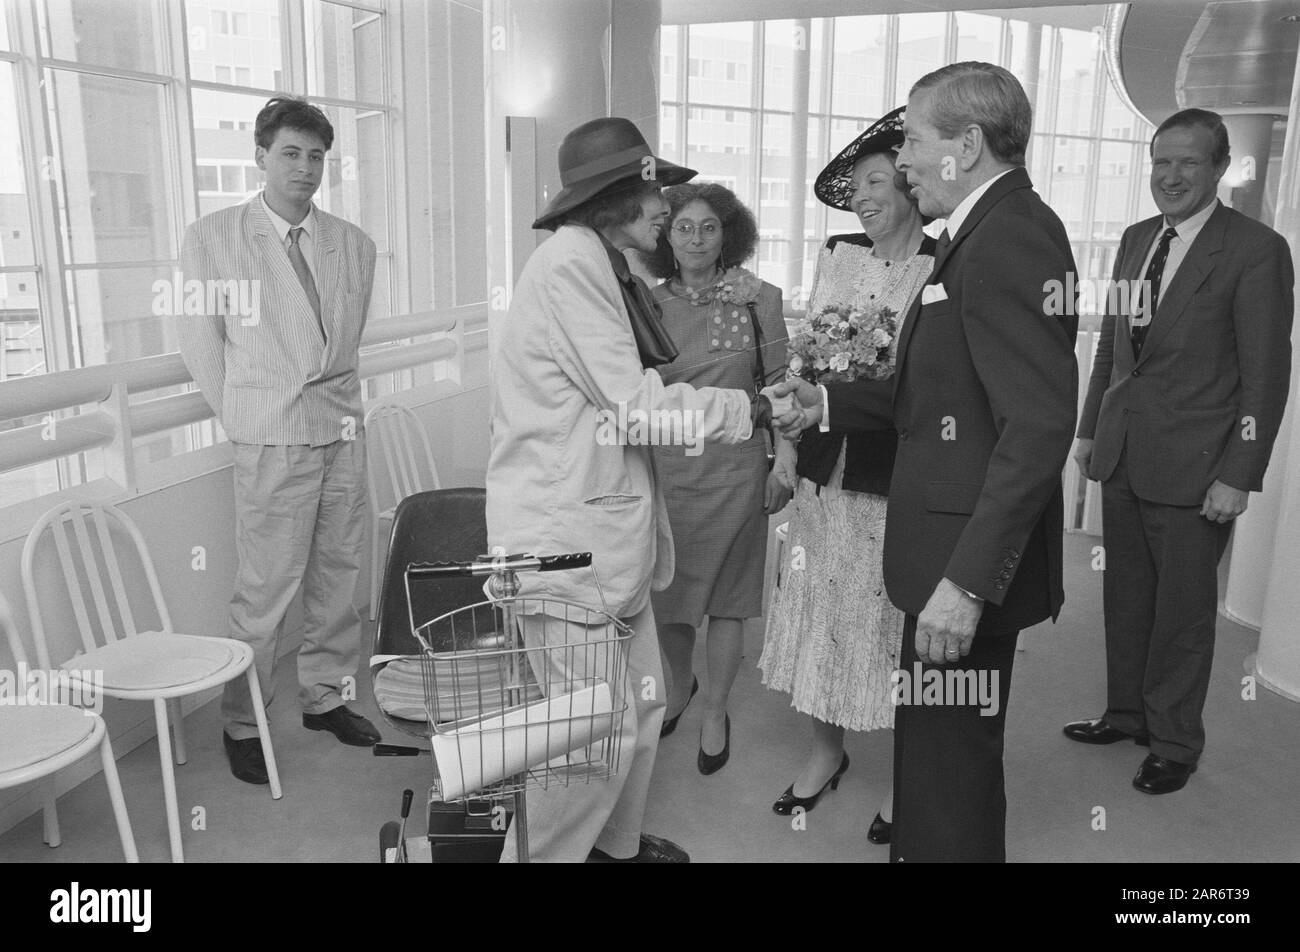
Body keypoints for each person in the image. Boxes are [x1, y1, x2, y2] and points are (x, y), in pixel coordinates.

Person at [775, 62, 1079, 862]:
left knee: (951, 774)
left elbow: (1038, 427)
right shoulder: (974, 234)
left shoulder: (1012, 235)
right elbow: (945, 395)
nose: (901, 162)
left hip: (961, 569)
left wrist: (970, 581)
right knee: (937, 760)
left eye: (911, 139)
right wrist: (829, 406)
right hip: (937, 555)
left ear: (967, 144)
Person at [486, 117, 765, 862]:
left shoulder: (605, 265)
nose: (666, 207)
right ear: (609, 199)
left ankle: (611, 849)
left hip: (607, 541)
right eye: (651, 193)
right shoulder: (573, 265)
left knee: (641, 707)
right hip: (567, 544)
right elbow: (637, 406)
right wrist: (750, 408)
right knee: (584, 734)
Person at [1066, 108, 1294, 794]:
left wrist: (1240, 475)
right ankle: (1127, 713)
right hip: (1125, 453)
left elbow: (1265, 376)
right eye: (1161, 161)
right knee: (1127, 598)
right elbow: (1112, 345)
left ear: (1219, 167)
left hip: (1200, 472)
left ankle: (1174, 742)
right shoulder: (1138, 239)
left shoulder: (1256, 250)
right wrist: (1086, 430)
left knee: (1183, 616)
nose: (1171, 176)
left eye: (1188, 162)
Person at [178, 97, 381, 785]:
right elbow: (202, 343)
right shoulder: (214, 238)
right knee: (265, 589)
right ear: (260, 156)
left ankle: (325, 695)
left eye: (317, 155)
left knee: (339, 575)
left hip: (342, 428)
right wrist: (245, 415)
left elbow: (344, 341)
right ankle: (243, 720)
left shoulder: (352, 242)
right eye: (291, 153)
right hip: (271, 435)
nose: (305, 167)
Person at [758, 107, 935, 845]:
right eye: (856, 184)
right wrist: (786, 441)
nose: (863, 196)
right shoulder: (839, 253)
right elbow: (803, 355)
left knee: (888, 627)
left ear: (911, 187)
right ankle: (825, 752)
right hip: (824, 471)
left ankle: (905, 777)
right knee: (823, 617)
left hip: (899, 474)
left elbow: (930, 384)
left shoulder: (941, 265)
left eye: (878, 182)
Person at [640, 182, 789, 775]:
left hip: (738, 469)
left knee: (729, 599)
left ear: (730, 233)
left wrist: (787, 462)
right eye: (683, 227)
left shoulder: (760, 300)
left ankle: (718, 710)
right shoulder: (645, 306)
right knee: (672, 597)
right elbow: (637, 394)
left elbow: (780, 386)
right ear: (665, 238)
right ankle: (681, 687)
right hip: (670, 471)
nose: (696, 239)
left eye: (709, 227)